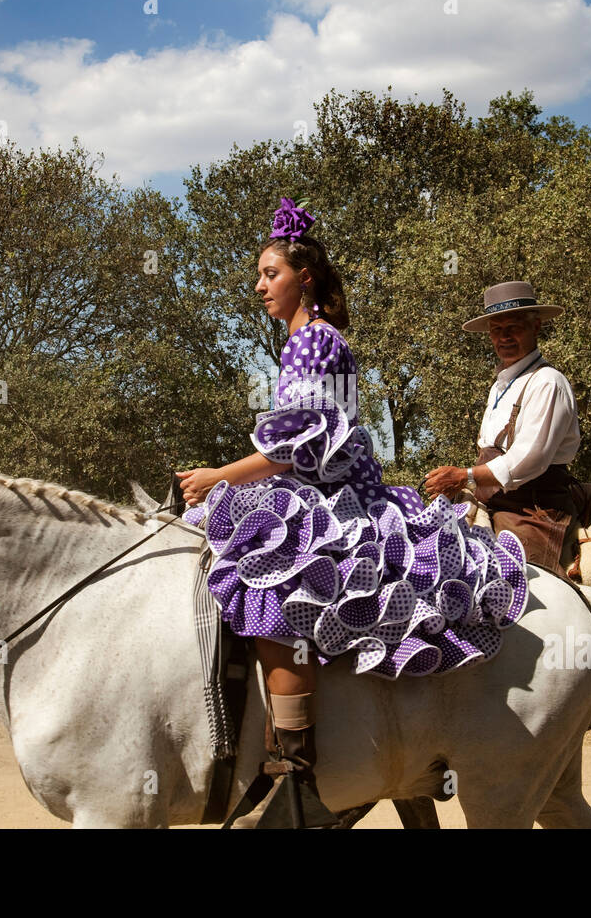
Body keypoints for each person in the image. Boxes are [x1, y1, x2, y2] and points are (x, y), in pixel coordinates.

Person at [177, 199, 529, 820]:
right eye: (259, 276)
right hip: (318, 491)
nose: (260, 286)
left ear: (303, 277)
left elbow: (293, 447)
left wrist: (216, 477)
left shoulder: (314, 341)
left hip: (332, 500)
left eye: (271, 274)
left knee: (269, 597)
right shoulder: (303, 342)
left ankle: (295, 775)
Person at [423, 280, 584, 573]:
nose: (504, 337)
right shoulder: (501, 386)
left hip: (534, 511)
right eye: (497, 329)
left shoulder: (547, 382)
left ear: (536, 327)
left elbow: (528, 460)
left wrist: (464, 477)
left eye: (514, 327)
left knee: (508, 579)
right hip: (495, 503)